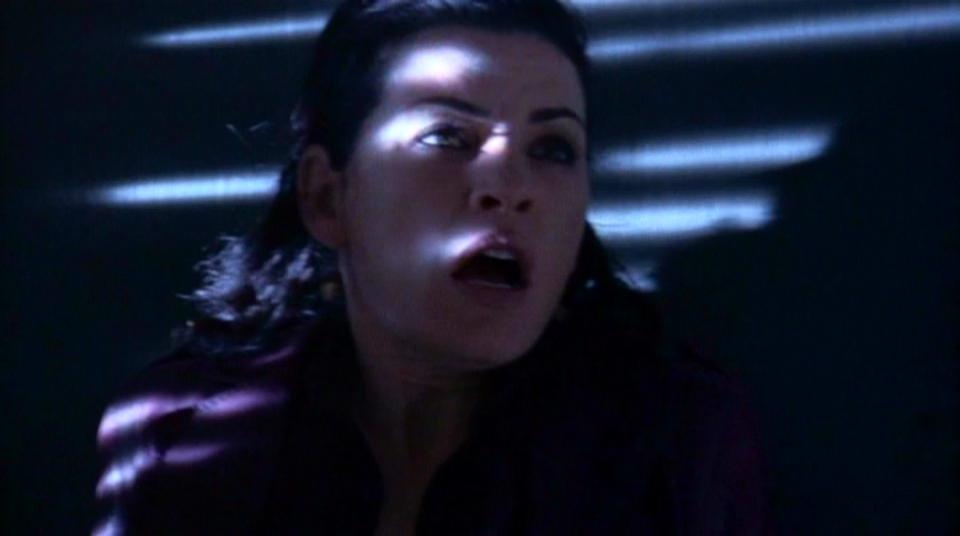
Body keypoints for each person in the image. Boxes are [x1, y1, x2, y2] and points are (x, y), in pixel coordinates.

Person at [93, 0, 770, 534]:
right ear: (327, 197)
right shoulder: (177, 435)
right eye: (447, 135)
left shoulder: (678, 447)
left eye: (553, 148)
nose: (510, 185)